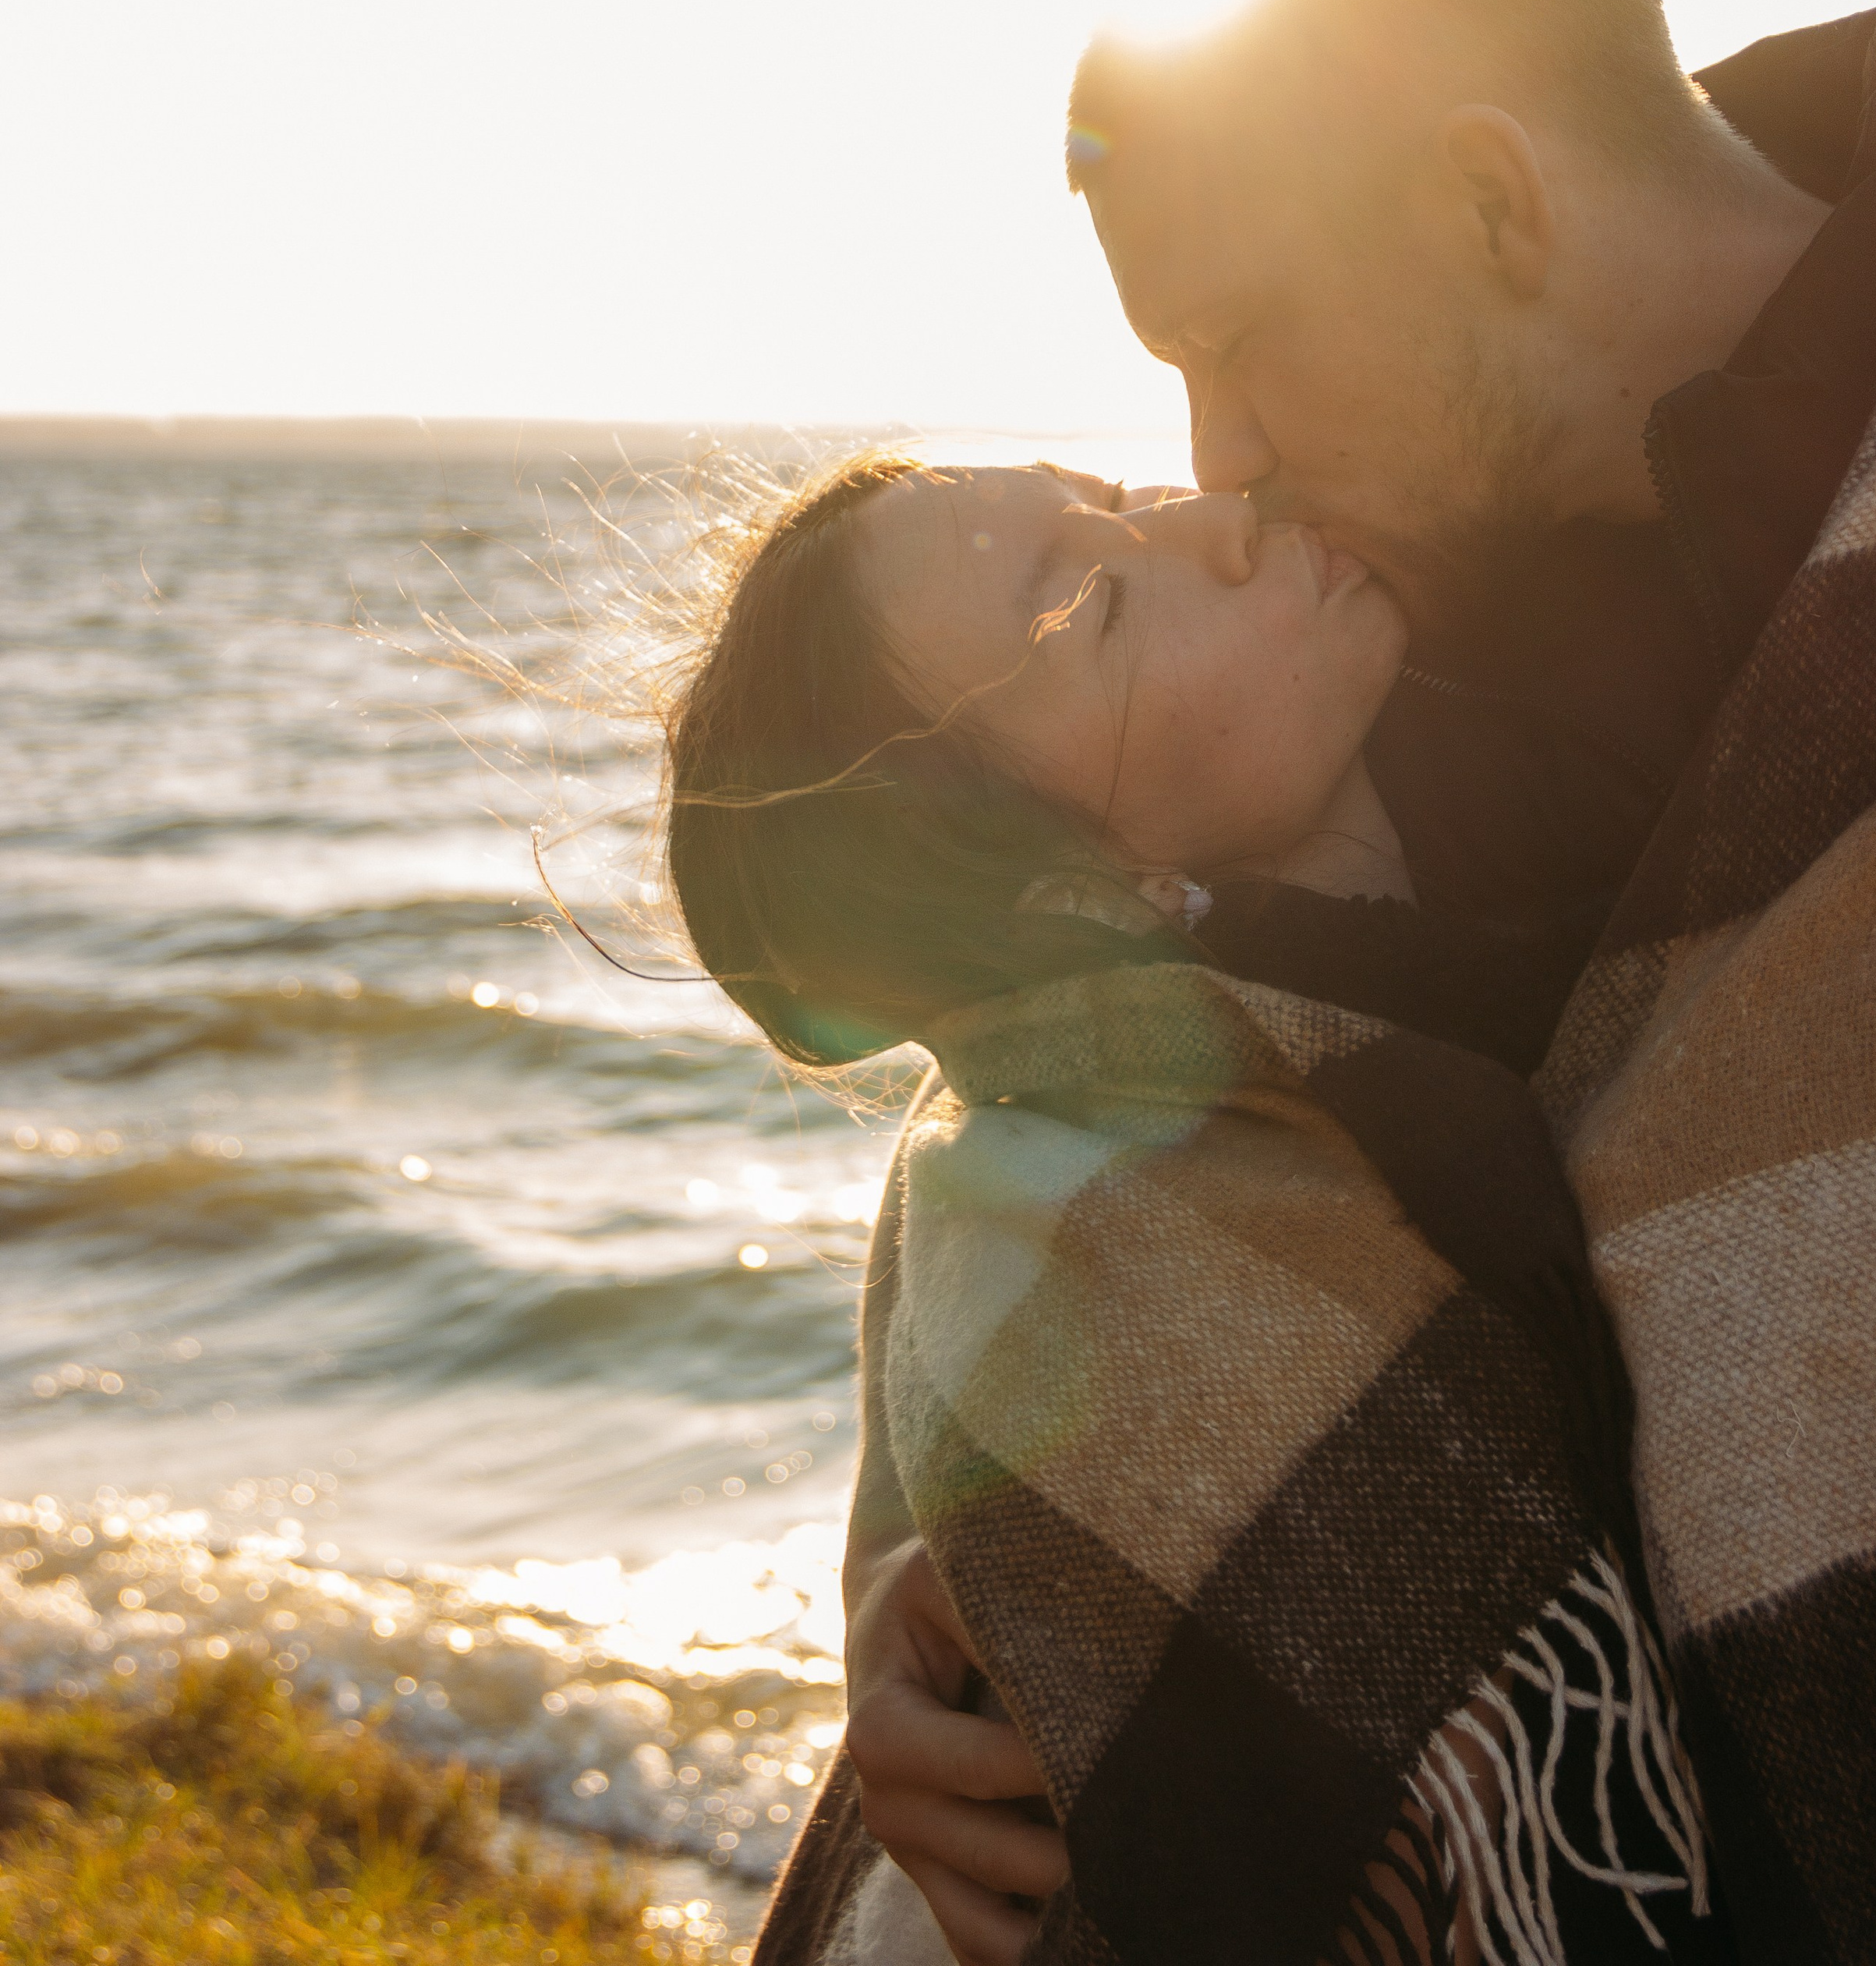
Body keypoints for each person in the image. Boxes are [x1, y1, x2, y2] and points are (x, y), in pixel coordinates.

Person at [843, 0, 1876, 1965]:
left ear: (1493, 202)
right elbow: (1081, 1051)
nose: (1219, 457)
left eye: (1242, 339)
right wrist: (972, 1565)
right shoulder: (1373, 627)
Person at [666, 450, 1732, 1964]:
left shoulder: (1612, 780)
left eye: (1112, 486)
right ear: (1092, 903)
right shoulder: (1112, 1232)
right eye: (1093, 603)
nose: (1221, 519)